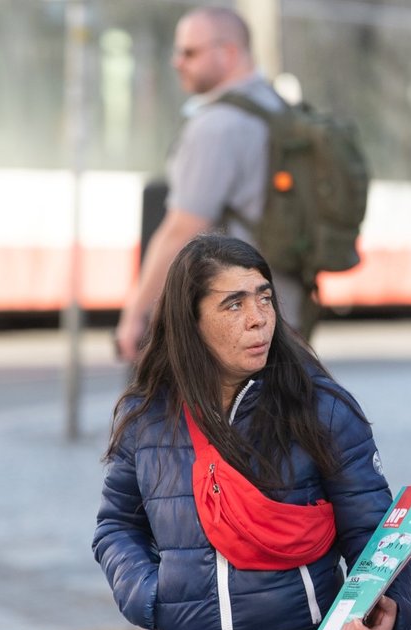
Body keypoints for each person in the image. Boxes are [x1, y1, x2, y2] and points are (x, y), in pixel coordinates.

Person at [94, 233, 411, 630]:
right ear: (190, 320)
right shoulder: (150, 418)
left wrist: (388, 605)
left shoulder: (321, 409)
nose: (258, 319)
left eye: (264, 298)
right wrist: (149, 595)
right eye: (233, 303)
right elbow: (117, 525)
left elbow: (372, 527)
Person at [115, 7, 309, 363]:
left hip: (232, 319)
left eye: (189, 52)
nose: (177, 62)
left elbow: (182, 229)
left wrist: (136, 314)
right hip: (281, 309)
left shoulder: (217, 125)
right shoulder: (278, 109)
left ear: (229, 53)